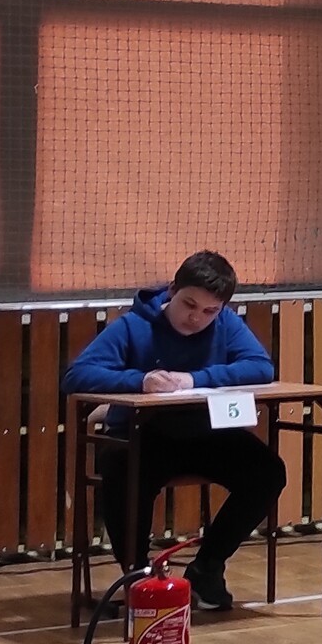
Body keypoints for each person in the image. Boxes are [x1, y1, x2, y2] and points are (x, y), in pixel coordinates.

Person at [61, 252, 282, 614]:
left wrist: (195, 379)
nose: (196, 318)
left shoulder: (226, 324)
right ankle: (139, 576)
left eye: (209, 311)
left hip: (205, 434)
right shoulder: (133, 325)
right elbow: (77, 375)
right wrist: (140, 380)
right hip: (142, 437)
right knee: (122, 471)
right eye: (189, 305)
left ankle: (207, 568)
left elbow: (260, 366)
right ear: (172, 291)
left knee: (267, 471)